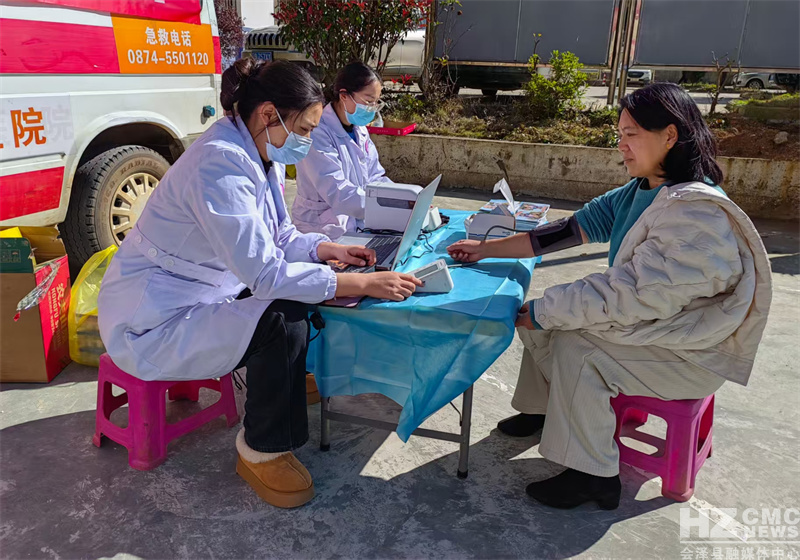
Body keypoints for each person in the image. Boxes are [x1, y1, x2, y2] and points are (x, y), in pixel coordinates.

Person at [98, 59, 422, 509]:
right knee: (281, 319)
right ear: (269, 114)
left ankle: (286, 383)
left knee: (297, 298)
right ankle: (262, 450)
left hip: (201, 289)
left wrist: (325, 250)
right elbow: (265, 274)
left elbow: (280, 235)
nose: (306, 141)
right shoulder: (219, 164)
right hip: (152, 319)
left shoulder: (256, 150)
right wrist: (356, 284)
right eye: (304, 130)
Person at [447, 83, 772, 510]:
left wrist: (545, 311)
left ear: (669, 135)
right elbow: (565, 232)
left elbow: (635, 295)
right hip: (655, 328)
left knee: (575, 345)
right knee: (542, 320)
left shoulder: (696, 212)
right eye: (619, 134)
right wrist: (486, 249)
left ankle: (594, 475)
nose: (621, 144)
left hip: (688, 350)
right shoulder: (642, 189)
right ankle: (543, 410)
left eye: (631, 134)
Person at [292, 61, 392, 240]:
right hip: (320, 227)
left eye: (376, 102)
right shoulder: (317, 131)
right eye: (368, 101)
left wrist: (402, 198)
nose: (372, 108)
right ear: (344, 95)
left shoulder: (359, 129)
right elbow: (336, 190)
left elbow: (375, 176)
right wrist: (384, 207)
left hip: (353, 222)